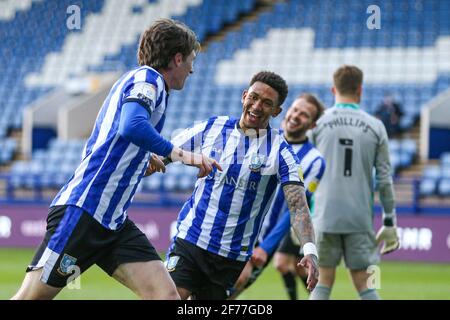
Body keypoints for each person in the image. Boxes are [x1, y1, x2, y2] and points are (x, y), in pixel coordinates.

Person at [12, 19, 221, 300]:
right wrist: (183, 155)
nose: (192, 70)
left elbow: (120, 135)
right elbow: (131, 126)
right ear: (177, 58)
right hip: (84, 211)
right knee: (30, 298)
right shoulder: (149, 79)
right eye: (191, 61)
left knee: (166, 295)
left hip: (113, 221)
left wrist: (143, 156)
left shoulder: (144, 82)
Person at [161, 71, 319, 300]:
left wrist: (310, 250)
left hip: (231, 258)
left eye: (267, 103)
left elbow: (298, 206)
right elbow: (166, 152)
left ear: (276, 111)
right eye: (253, 97)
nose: (257, 106)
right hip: (191, 240)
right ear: (244, 96)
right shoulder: (213, 127)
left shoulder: (281, 152)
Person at [308, 65, 400, 300]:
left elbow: (303, 173)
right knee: (366, 285)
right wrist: (389, 220)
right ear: (360, 90)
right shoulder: (376, 126)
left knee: (321, 283)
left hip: (323, 216)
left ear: (333, 89)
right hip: (359, 219)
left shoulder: (316, 125)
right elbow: (384, 178)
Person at [229, 93, 326, 300]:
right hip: (235, 227)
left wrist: (266, 247)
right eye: (295, 110)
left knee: (234, 286)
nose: (296, 116)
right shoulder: (263, 137)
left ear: (312, 125)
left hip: (263, 239)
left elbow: (296, 209)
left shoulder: (315, 161)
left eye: (305, 115)